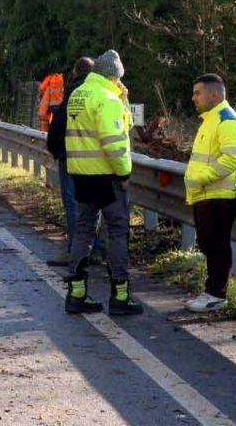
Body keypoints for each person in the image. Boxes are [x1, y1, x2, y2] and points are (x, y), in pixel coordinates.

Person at [63, 49, 143, 316]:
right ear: (114, 76)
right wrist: (124, 173)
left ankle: (76, 294)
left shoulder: (79, 93)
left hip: (80, 174)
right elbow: (116, 140)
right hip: (107, 176)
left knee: (84, 230)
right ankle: (120, 296)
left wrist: (123, 100)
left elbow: (124, 124)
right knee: (118, 231)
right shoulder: (107, 98)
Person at [183, 74, 236, 313]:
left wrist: (201, 178)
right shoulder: (209, 120)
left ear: (214, 95)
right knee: (209, 244)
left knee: (217, 245)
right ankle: (211, 291)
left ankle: (216, 294)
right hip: (205, 194)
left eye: (197, 93)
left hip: (219, 196)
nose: (193, 98)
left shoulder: (227, 120)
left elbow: (232, 159)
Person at [44, 56, 98, 267]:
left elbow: (59, 123)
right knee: (94, 205)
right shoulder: (101, 92)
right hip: (96, 159)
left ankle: (75, 252)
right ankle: (96, 250)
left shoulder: (75, 91)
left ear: (75, 73)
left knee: (74, 203)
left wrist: (53, 147)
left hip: (72, 157)